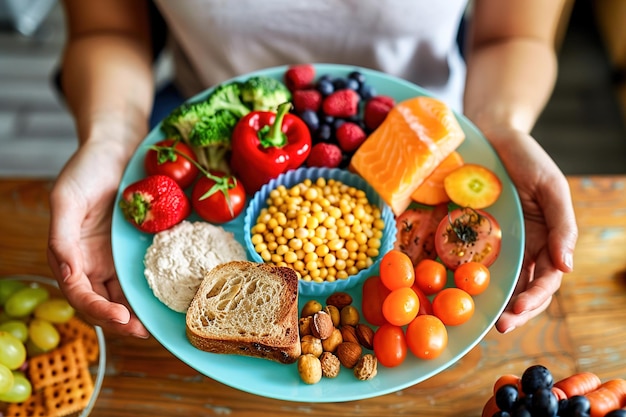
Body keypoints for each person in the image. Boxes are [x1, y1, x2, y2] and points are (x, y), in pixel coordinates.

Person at [48, 0, 578, 339]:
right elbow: (105, 28)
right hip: (228, 134)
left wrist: (503, 128)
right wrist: (111, 138)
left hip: (427, 127)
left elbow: (512, 36)